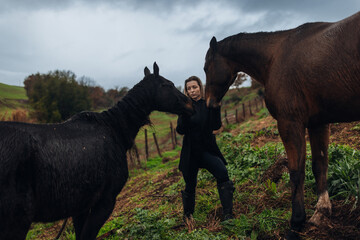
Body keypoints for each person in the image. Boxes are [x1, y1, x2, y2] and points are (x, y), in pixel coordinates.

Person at [176, 76, 234, 222]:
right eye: (189, 88)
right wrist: (183, 112)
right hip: (190, 153)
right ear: (186, 91)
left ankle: (227, 215)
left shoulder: (207, 105)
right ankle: (188, 217)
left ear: (200, 87)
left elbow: (215, 126)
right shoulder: (185, 107)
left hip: (207, 149)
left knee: (222, 173)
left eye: (194, 87)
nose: (192, 91)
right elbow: (180, 130)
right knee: (190, 184)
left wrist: (217, 108)